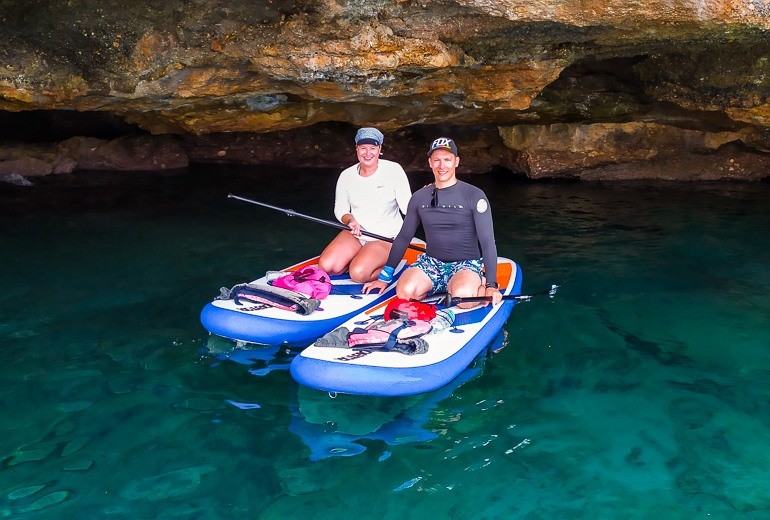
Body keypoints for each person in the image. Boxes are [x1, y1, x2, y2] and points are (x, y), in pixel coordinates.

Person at [363, 137, 502, 307]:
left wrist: (491, 285)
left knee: (463, 298)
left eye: (447, 160)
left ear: (456, 162)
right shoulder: (419, 197)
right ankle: (439, 287)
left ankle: (478, 281)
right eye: (437, 160)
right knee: (405, 292)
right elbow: (403, 237)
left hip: (465, 264)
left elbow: (487, 241)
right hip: (431, 262)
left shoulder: (474, 195)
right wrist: (385, 277)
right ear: (430, 162)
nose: (442, 166)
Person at [318, 127, 412, 283]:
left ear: (379, 149)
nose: (368, 153)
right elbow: (340, 209)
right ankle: (360, 256)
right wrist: (350, 221)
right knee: (327, 267)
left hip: (384, 237)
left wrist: (423, 200)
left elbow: (407, 208)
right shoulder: (346, 175)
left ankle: (392, 263)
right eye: (363, 148)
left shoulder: (394, 170)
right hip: (356, 233)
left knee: (358, 274)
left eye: (372, 148)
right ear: (356, 149)